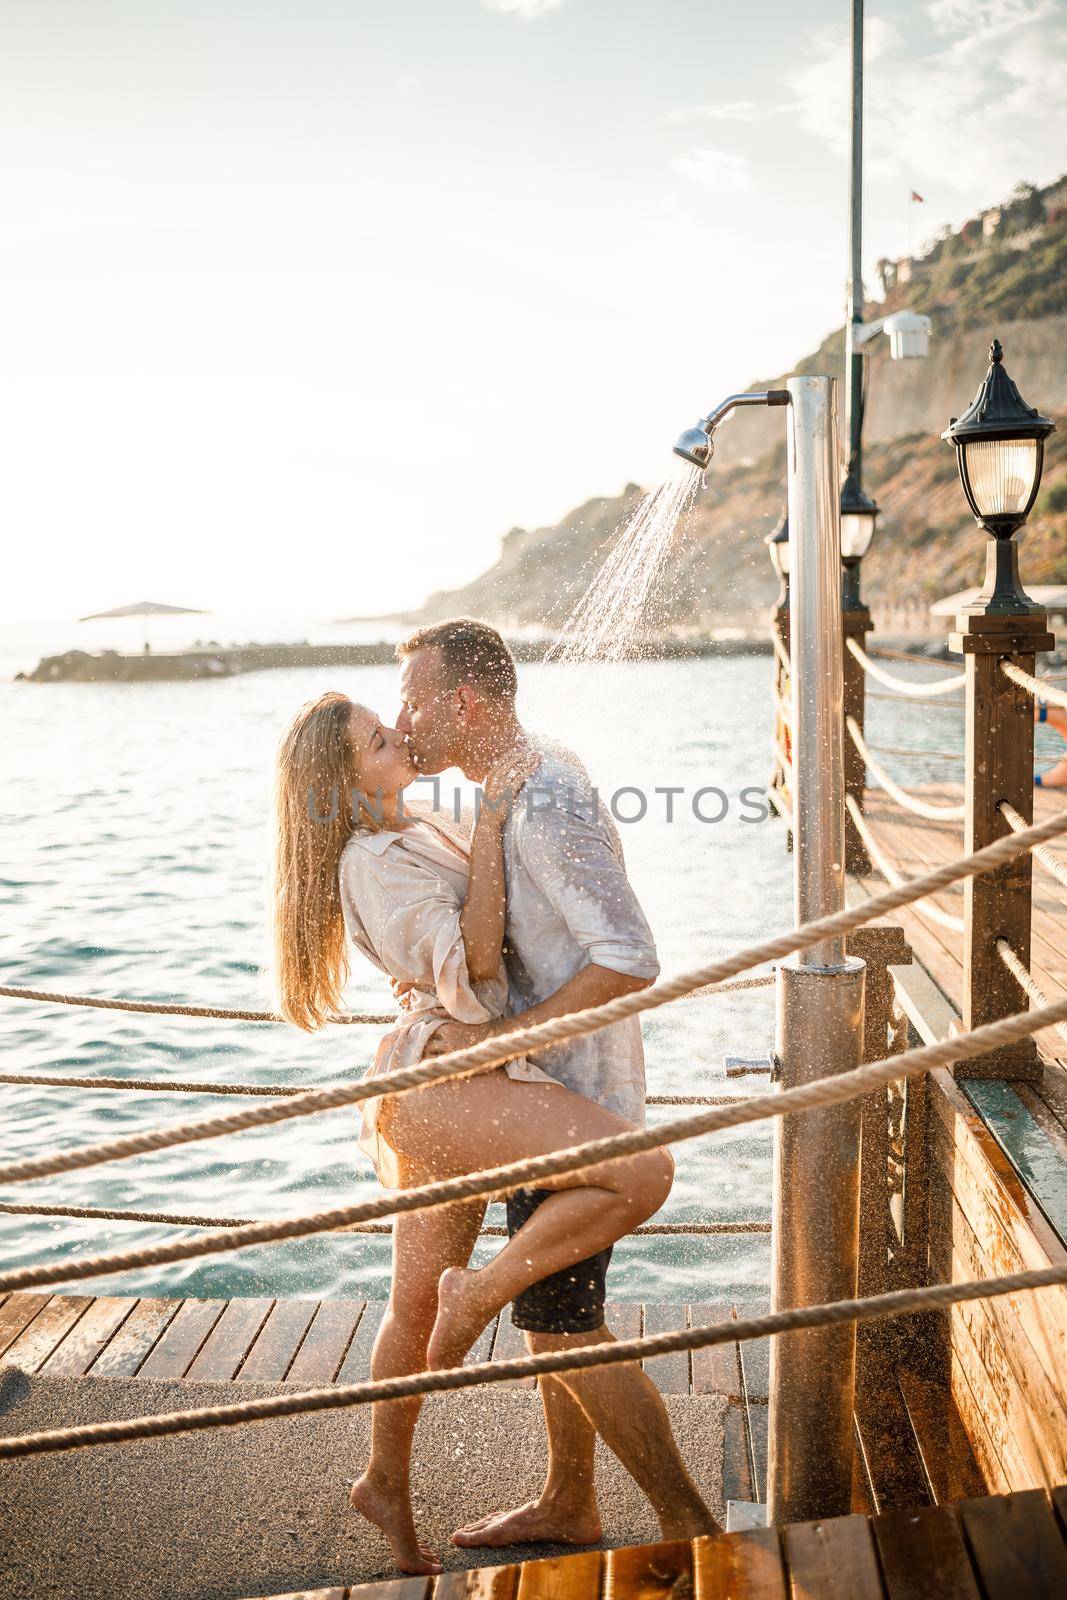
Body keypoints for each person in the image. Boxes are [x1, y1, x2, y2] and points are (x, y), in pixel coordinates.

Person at [268, 689, 680, 1575]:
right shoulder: (374, 860)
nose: (400, 734)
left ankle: (385, 1479)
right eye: (380, 738)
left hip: (461, 1077)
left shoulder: (410, 825)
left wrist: (509, 798)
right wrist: (492, 824)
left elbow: (534, 849)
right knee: (638, 1174)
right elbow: (480, 963)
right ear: (345, 779)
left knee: (412, 1307)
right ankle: (485, 1293)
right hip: (444, 1079)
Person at [395, 618, 720, 1553]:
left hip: (575, 1109)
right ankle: (568, 1500)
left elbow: (630, 958)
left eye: (417, 698)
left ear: (464, 701)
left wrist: (497, 1043)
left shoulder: (545, 797)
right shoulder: (518, 783)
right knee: (554, 1320)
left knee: (565, 1327)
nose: (405, 718)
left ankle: (688, 1527)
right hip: (542, 1103)